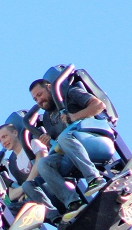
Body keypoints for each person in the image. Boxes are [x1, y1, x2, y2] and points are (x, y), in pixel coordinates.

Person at [29, 78, 108, 215]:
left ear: (49, 87)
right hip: (71, 149)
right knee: (43, 164)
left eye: (40, 94)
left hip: (92, 137)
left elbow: (99, 106)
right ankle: (73, 202)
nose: (39, 101)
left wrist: (74, 116)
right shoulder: (47, 118)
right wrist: (49, 142)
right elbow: (59, 144)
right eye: (35, 99)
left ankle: (95, 178)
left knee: (64, 137)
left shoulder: (71, 93)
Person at [0, 123, 53, 214]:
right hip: (33, 194)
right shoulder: (12, 164)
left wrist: (26, 186)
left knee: (28, 186)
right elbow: (12, 195)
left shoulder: (32, 143)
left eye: (4, 137)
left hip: (48, 180)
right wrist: (25, 189)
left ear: (15, 133)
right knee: (9, 210)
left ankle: (55, 216)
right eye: (0, 141)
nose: (3, 142)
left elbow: (41, 161)